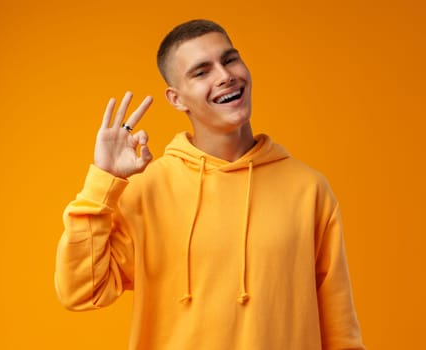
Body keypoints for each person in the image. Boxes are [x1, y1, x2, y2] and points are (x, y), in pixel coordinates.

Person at [55, 19, 365, 349]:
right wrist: (103, 181)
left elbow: (339, 327)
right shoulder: (147, 191)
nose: (224, 75)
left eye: (229, 59)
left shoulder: (308, 189)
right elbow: (81, 291)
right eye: (201, 71)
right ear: (176, 99)